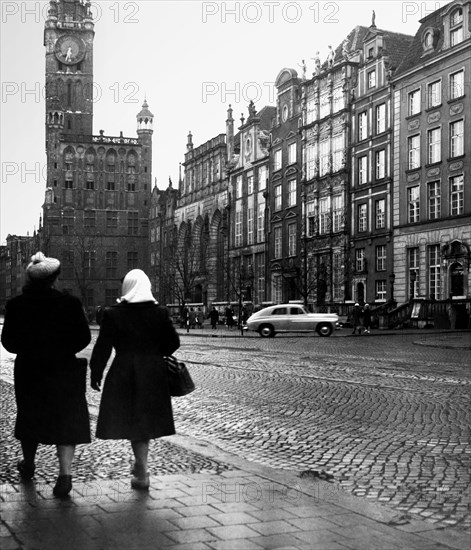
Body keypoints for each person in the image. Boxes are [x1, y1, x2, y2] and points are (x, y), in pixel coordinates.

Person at [1, 252, 91, 498]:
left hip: (30, 371)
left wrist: (31, 348)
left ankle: (28, 464)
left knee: (30, 417)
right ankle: (64, 475)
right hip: (63, 370)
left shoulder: (16, 305)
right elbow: (84, 337)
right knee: (65, 421)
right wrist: (62, 349)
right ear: (54, 278)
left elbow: (8, 342)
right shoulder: (69, 304)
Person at [89, 269, 180, 490]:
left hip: (123, 372)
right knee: (143, 422)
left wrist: (96, 372)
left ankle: (141, 467)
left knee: (132, 419)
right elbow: (172, 344)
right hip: (153, 374)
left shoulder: (113, 313)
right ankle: (142, 467)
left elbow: (103, 347)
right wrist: (154, 351)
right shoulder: (159, 313)